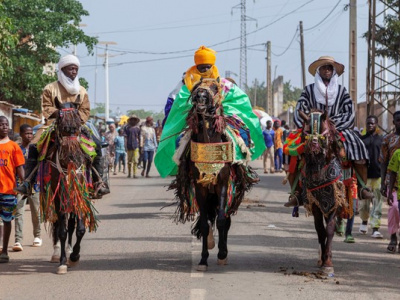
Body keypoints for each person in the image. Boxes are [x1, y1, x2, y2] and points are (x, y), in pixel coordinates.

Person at [154, 45, 265, 178]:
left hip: (219, 119)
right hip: (194, 121)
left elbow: (239, 100)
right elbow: (176, 104)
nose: (205, 70)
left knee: (240, 138)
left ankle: (241, 170)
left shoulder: (223, 83)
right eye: (202, 67)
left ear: (212, 66)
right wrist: (189, 110)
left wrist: (223, 110)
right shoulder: (186, 83)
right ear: (197, 66)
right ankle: (183, 177)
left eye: (208, 66)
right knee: (180, 147)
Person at [15, 54, 109, 197]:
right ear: (62, 69)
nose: (74, 72)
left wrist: (75, 120)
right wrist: (60, 115)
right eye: (71, 69)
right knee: (34, 145)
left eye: (76, 69)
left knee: (96, 144)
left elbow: (85, 110)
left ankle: (99, 182)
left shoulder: (82, 90)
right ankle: (28, 182)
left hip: (77, 126)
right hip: (53, 125)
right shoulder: (50, 88)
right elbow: (46, 108)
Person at [285, 56, 372, 207]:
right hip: (311, 129)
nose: (327, 70)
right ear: (319, 70)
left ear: (333, 71)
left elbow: (349, 113)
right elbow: (300, 109)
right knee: (291, 151)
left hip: (337, 128)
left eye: (330, 68)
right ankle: (296, 193)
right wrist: (310, 123)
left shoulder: (341, 91)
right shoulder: (309, 90)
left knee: (359, 147)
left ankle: (363, 188)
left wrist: (331, 124)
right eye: (324, 67)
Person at [12, 124, 42, 252]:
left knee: (36, 212)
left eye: (31, 133)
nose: (29, 136)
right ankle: (18, 240)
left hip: (34, 185)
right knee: (19, 213)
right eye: (26, 133)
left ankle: (37, 236)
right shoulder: (17, 149)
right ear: (21, 135)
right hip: (20, 185)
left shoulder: (36, 149)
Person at [0, 116, 25, 263]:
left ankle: (4, 251)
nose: (4, 126)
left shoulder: (14, 147)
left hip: (9, 190)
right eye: (1, 124)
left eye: (6, 124)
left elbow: (19, 167)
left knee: (7, 220)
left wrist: (25, 183)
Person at [359, 115, 383, 238]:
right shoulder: (361, 139)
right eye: (368, 123)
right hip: (364, 177)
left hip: (378, 176)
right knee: (364, 203)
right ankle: (364, 222)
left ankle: (375, 228)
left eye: (372, 123)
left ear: (376, 125)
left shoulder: (381, 140)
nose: (370, 125)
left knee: (377, 202)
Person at [380, 111, 400, 252]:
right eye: (398, 120)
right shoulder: (387, 139)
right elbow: (383, 162)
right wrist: (382, 183)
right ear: (393, 122)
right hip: (392, 180)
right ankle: (393, 236)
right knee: (394, 208)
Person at [124, 114, 141, 178]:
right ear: (130, 120)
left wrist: (140, 146)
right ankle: (129, 173)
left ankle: (135, 174)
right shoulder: (127, 128)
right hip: (129, 146)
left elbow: (139, 137)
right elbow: (125, 137)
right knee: (129, 161)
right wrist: (125, 145)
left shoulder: (138, 128)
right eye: (132, 120)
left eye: (134, 120)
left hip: (136, 146)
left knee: (136, 161)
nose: (133, 121)